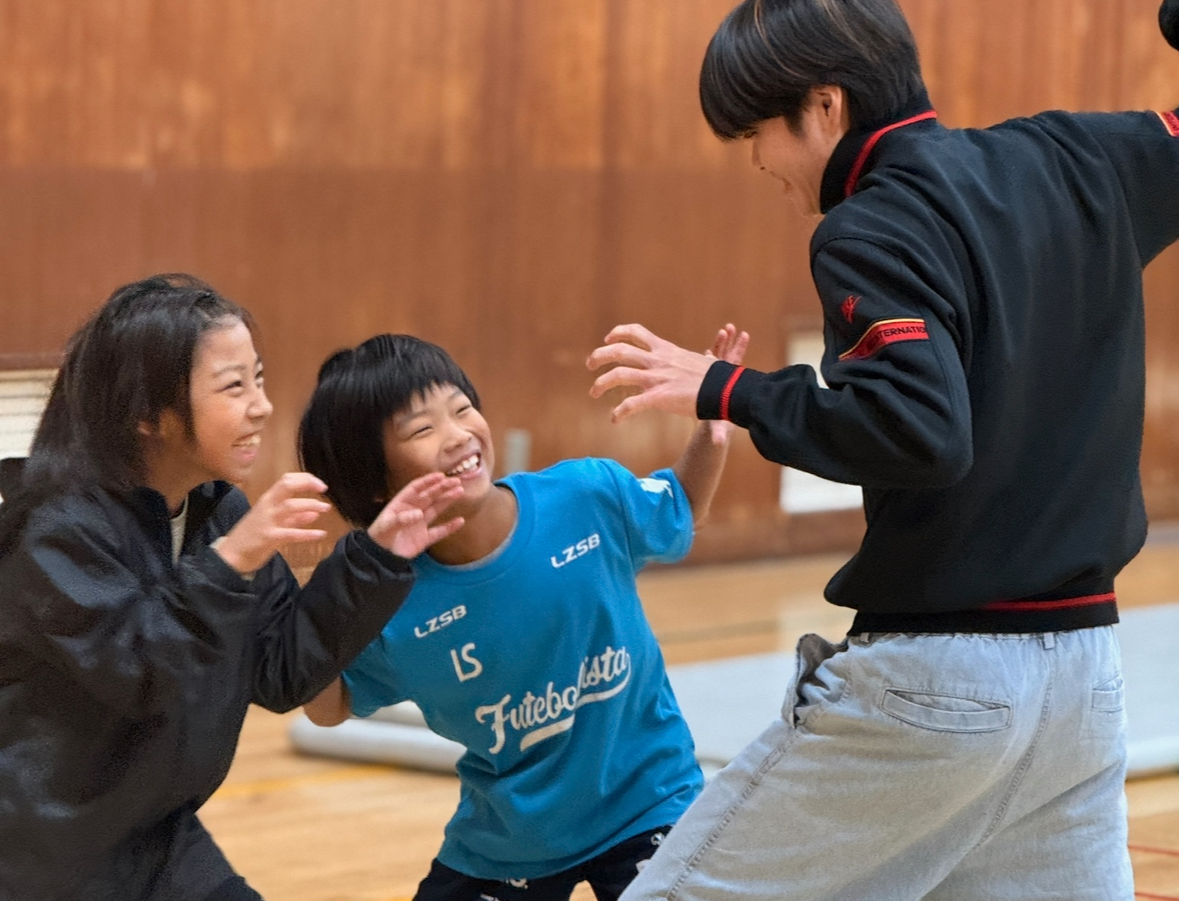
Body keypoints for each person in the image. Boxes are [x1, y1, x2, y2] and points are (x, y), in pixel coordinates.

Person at [584, 0, 1179, 899]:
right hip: (1084, 683)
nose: (763, 168)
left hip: (939, 685)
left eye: (757, 137)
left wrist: (726, 388)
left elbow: (915, 428)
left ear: (823, 108)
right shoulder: (1085, 160)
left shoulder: (869, 225)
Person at [0, 274, 466, 901]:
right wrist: (237, 556)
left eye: (261, 378)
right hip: (36, 858)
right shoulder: (56, 529)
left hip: (156, 839)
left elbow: (279, 673)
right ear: (149, 415)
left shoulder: (216, 514)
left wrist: (376, 558)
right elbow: (142, 671)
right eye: (234, 386)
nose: (262, 406)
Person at [298, 327, 746, 901]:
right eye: (423, 428)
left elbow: (680, 504)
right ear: (375, 481)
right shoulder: (391, 605)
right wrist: (308, 610)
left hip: (650, 803)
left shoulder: (586, 495)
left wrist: (711, 431)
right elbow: (329, 706)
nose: (458, 435)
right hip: (509, 840)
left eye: (461, 409)